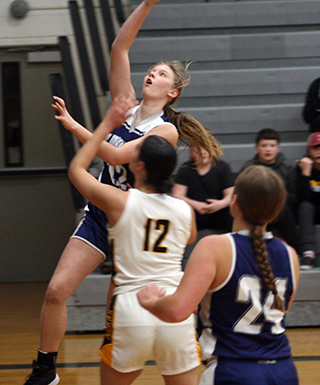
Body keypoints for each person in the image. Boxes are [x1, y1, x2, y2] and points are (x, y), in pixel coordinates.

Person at [24, 1, 220, 384]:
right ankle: (44, 369)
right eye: (151, 70)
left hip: (134, 224)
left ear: (173, 91)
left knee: (122, 315)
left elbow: (113, 154)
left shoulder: (165, 130)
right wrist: (146, 4)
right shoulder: (126, 105)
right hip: (103, 213)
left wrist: (80, 127)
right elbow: (120, 48)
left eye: (160, 74)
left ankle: (175, 354)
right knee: (55, 290)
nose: (151, 74)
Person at [68, 93, 200, 385]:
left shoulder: (120, 202)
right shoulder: (184, 211)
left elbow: (76, 170)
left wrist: (105, 127)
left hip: (132, 307)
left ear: (138, 166)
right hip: (174, 306)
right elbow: (189, 237)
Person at [138, 165, 300, 385]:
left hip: (232, 371)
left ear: (234, 204)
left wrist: (151, 302)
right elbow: (276, 311)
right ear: (276, 211)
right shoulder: (290, 254)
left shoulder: (214, 246)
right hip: (284, 372)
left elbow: (176, 311)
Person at [173, 145, 234, 269]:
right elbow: (177, 195)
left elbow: (231, 196)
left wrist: (219, 204)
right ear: (191, 152)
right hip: (194, 226)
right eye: (198, 150)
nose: (203, 153)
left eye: (206, 149)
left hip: (220, 224)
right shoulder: (186, 169)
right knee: (190, 260)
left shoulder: (222, 167)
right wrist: (195, 204)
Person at [240, 128, 299, 251]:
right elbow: (242, 193)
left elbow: (294, 195)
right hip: (256, 210)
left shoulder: (286, 167)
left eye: (272, 145)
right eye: (264, 145)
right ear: (257, 147)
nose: (268, 149)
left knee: (287, 210)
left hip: (279, 210)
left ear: (278, 148)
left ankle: (296, 250)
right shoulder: (248, 168)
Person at [296, 132, 320, 269]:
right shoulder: (302, 167)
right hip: (311, 211)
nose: (319, 152)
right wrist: (305, 173)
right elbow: (302, 198)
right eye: (316, 148)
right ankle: (308, 254)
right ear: (308, 151)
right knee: (305, 206)